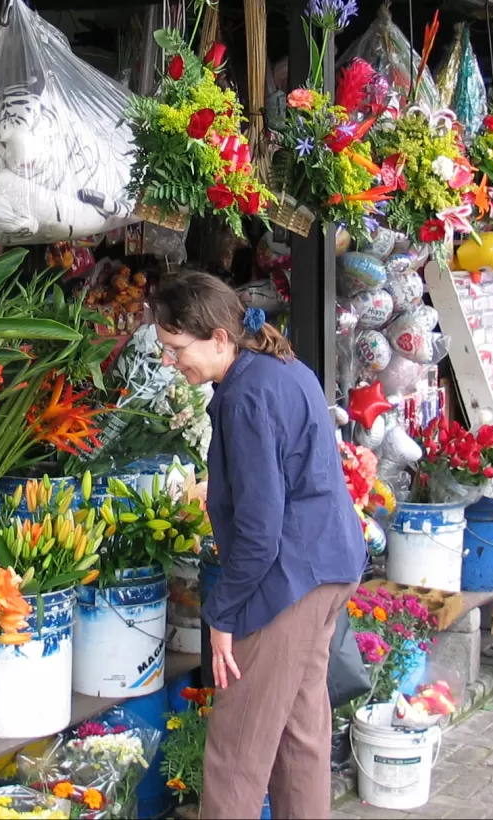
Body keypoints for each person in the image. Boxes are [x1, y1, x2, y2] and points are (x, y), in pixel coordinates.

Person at [149, 270, 367, 820]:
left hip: (286, 580)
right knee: (300, 737)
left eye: (177, 348)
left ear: (219, 338)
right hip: (327, 567)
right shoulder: (281, 368)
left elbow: (259, 532)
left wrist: (223, 613)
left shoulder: (245, 396)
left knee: (236, 752)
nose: (173, 363)